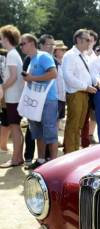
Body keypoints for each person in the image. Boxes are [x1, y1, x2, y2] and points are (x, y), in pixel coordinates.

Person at [19, 33, 58, 169]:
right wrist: (29, 78)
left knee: (50, 133)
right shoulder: (32, 59)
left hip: (48, 101)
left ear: (31, 43)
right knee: (38, 133)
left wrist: (31, 78)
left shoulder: (44, 56)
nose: (21, 46)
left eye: (22, 43)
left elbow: (53, 74)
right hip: (36, 102)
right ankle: (41, 161)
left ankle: (54, 164)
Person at [61, 29, 96, 153]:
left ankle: (74, 152)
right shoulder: (70, 55)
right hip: (76, 94)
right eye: (87, 40)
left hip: (84, 94)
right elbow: (68, 76)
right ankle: (70, 153)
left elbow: (89, 73)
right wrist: (85, 86)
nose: (90, 42)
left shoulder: (83, 55)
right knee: (73, 125)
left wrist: (95, 82)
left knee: (79, 126)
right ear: (78, 40)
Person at [0, 25, 25, 168]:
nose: (1, 41)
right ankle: (18, 157)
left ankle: (15, 159)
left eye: (2, 38)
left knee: (15, 128)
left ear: (7, 38)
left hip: (13, 97)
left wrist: (2, 87)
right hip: (15, 97)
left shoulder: (11, 54)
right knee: (17, 128)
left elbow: (13, 77)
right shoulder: (14, 54)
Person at [83, 29, 98, 145]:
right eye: (87, 40)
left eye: (91, 40)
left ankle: (90, 134)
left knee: (93, 114)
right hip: (81, 88)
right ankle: (80, 136)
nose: (88, 42)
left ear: (94, 42)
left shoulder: (96, 57)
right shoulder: (79, 54)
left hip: (93, 89)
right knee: (81, 114)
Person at [53, 41, 67, 130]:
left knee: (58, 119)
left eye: (64, 49)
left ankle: (55, 140)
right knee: (53, 119)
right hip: (55, 97)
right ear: (55, 51)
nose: (64, 51)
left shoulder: (64, 63)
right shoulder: (52, 62)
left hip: (62, 97)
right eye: (61, 49)